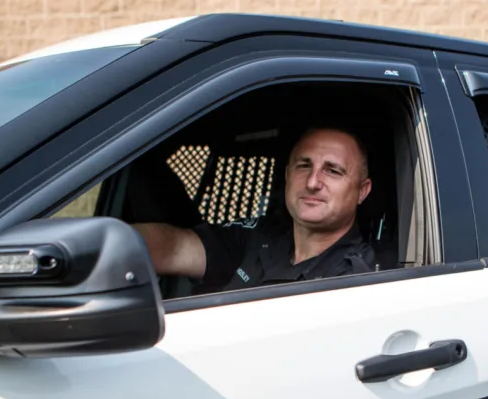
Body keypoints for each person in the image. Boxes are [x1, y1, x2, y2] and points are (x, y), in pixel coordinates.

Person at [133, 125, 377, 292]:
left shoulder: (353, 280)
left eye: (332, 170)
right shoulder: (261, 235)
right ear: (287, 175)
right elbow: (174, 247)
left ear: (362, 192)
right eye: (304, 166)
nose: (313, 182)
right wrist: (108, 247)